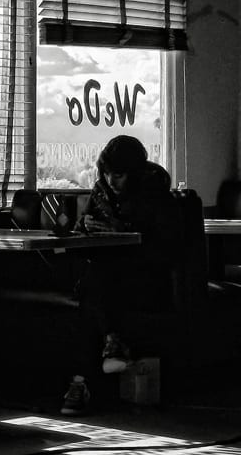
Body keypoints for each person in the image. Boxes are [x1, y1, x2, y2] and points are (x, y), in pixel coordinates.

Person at [60, 135, 181, 416]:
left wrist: (122, 229)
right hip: (106, 277)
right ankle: (111, 344)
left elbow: (167, 248)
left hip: (147, 280)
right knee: (92, 289)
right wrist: (84, 225)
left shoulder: (156, 197)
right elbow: (81, 226)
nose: (110, 180)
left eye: (119, 175)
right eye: (106, 173)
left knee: (91, 293)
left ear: (134, 174)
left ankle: (80, 383)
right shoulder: (100, 191)